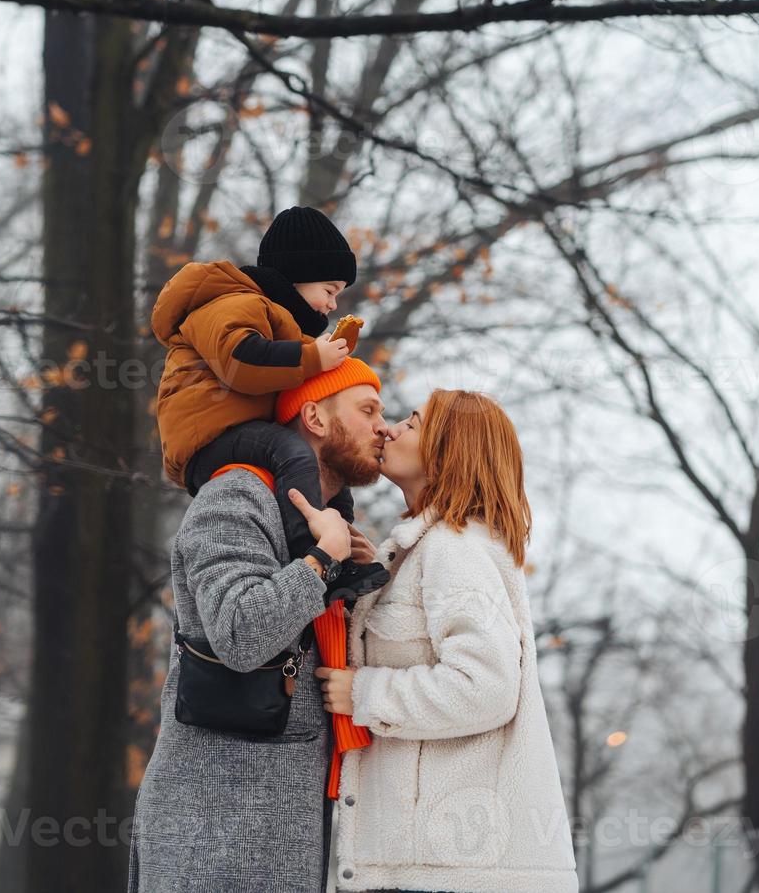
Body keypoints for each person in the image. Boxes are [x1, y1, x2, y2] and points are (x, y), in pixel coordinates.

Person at [127, 359, 390, 893]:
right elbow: (240, 633)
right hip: (217, 829)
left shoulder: (327, 522)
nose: (383, 426)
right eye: (368, 410)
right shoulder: (238, 494)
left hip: (279, 826)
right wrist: (318, 562)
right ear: (314, 417)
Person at [315, 390, 580, 893]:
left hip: (451, 871)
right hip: (434, 867)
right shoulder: (428, 548)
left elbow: (486, 687)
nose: (389, 429)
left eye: (411, 424)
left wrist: (366, 694)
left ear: (446, 452)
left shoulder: (455, 548)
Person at [150, 206, 387, 600]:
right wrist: (313, 359)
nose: (332, 305)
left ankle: (343, 555)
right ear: (299, 274)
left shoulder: (282, 321)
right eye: (329, 290)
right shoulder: (236, 302)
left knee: (328, 466)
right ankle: (311, 554)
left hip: (241, 428)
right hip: (207, 433)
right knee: (293, 451)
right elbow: (240, 361)